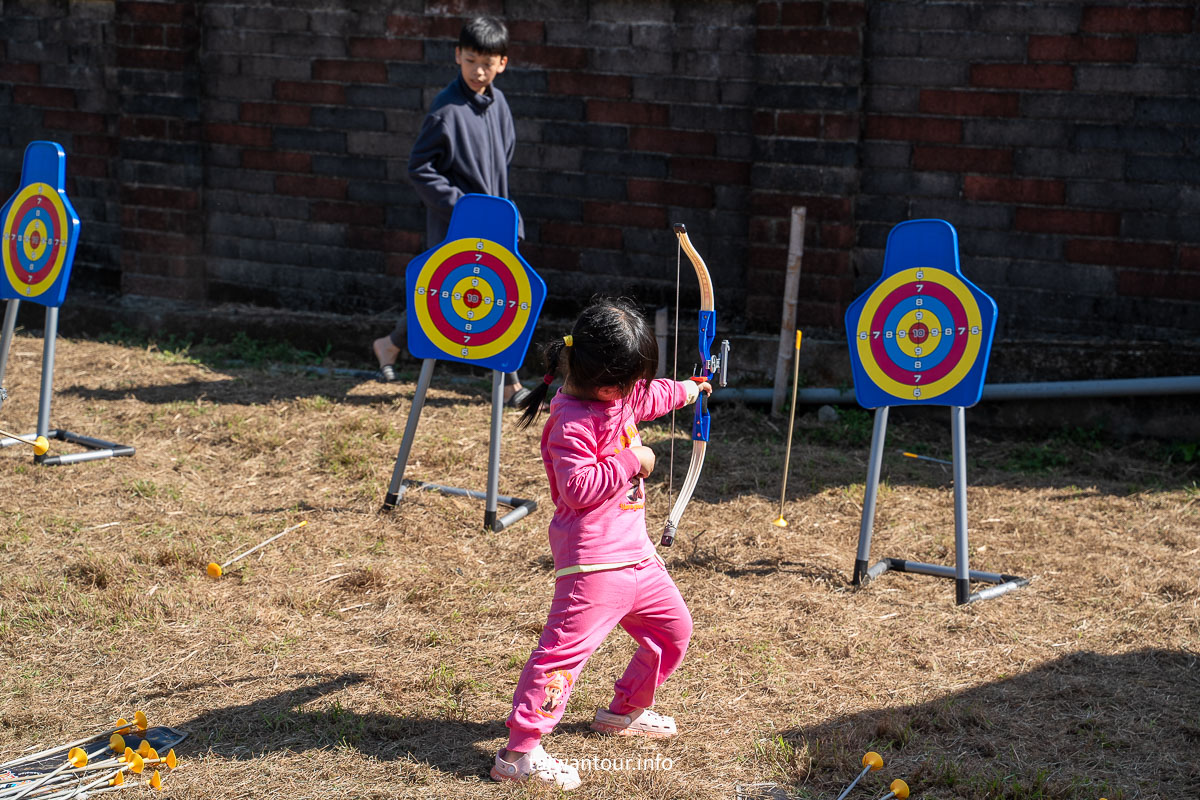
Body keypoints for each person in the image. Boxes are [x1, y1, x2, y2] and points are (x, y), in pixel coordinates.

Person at [489, 297, 709, 790]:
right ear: (609, 384)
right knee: (561, 656)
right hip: (592, 566)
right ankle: (518, 753)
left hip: (638, 557)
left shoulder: (619, 396)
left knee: (672, 632)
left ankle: (624, 710)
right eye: (633, 382)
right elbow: (579, 489)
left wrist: (691, 390)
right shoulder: (570, 423)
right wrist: (636, 460)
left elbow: (653, 396)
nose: (639, 392)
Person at [371, 16, 530, 406]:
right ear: (457, 55)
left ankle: (390, 346)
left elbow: (504, 156)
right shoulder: (446, 110)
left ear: (502, 64)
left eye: (488, 62)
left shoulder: (499, 102)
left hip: (496, 217)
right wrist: (463, 207)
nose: (478, 70)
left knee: (496, 290)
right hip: (457, 222)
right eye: (471, 59)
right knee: (453, 294)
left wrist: (502, 211)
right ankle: (509, 384)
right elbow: (419, 168)